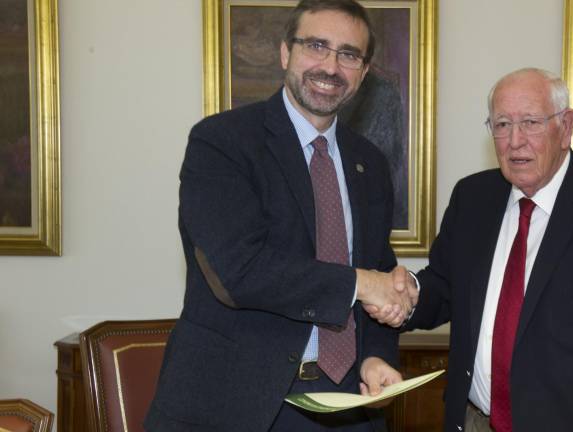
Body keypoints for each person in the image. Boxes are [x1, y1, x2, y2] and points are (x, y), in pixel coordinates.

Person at [145, 1, 415, 430]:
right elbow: (238, 270)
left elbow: (377, 268)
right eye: (316, 46)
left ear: (363, 73)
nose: (330, 66)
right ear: (285, 53)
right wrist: (364, 284)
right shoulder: (222, 142)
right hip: (238, 406)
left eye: (348, 54)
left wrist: (376, 356)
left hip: (348, 407)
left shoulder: (370, 163)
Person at [369, 68, 573, 431]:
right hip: (473, 421)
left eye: (530, 122)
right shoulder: (472, 198)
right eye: (501, 125)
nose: (515, 141)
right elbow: (447, 287)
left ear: (566, 126)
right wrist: (410, 295)